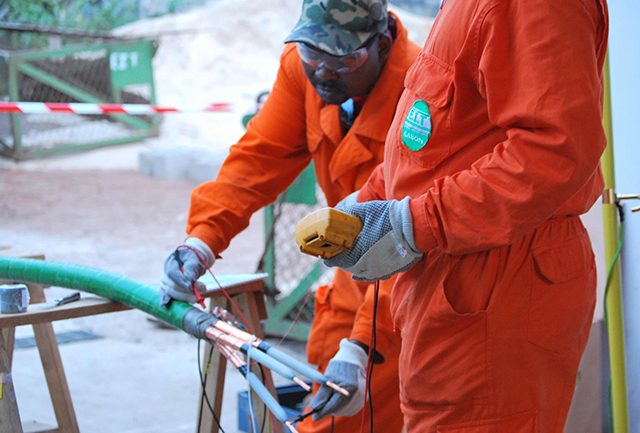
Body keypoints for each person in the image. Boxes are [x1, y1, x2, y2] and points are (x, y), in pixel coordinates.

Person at [305, 0, 610, 432]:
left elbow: (552, 152)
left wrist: (414, 222)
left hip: (496, 289)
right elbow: (443, 136)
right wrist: (371, 199)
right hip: (457, 279)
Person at [160, 1, 420, 432]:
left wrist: (361, 347)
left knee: (387, 408)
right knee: (330, 415)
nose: (323, 71)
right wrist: (202, 240)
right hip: (353, 274)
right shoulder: (302, 69)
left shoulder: (422, 91)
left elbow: (412, 241)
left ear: (384, 43)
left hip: (408, 285)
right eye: (313, 54)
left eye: (343, 58)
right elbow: (259, 158)